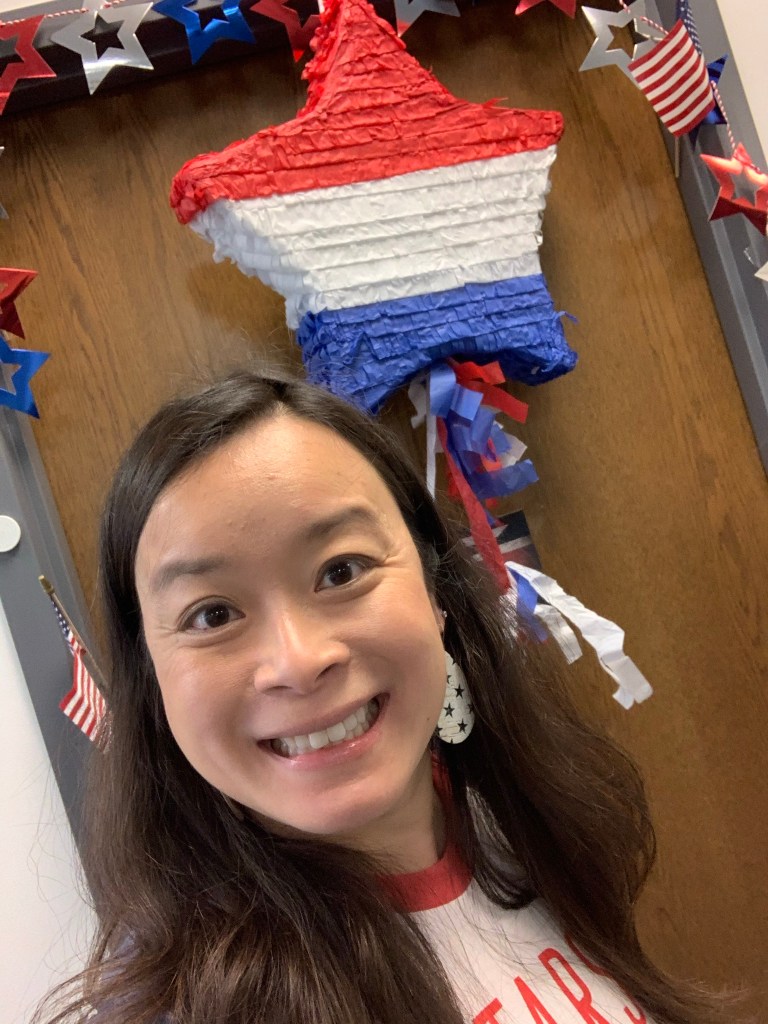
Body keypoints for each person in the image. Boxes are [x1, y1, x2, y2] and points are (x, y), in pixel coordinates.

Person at [37, 369, 731, 1024]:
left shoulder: (519, 820)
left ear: (435, 589)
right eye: (212, 614)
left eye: (342, 570)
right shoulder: (184, 1005)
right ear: (152, 681)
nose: (298, 662)